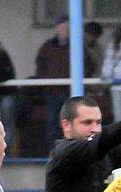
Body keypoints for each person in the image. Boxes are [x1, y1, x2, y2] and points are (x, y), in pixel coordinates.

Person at [35, 15, 96, 150]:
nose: (65, 30)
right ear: (57, 28)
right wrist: (47, 81)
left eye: (68, 27)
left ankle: (73, 150)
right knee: (53, 124)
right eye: (62, 27)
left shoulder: (78, 47)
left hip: (71, 92)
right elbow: (40, 67)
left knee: (73, 123)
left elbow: (89, 65)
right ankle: (54, 152)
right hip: (53, 92)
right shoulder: (47, 47)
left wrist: (80, 78)